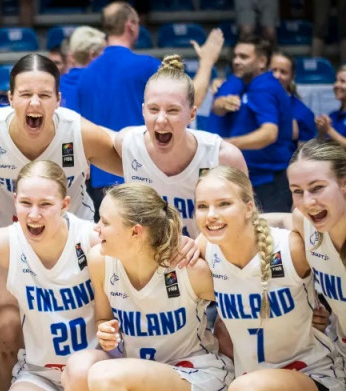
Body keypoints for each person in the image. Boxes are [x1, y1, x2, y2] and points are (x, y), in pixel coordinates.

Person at [0, 53, 122, 391]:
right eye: (26, 94)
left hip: (74, 242)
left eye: (45, 95)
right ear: (11, 98)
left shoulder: (79, 134)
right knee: (6, 332)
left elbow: (139, 164)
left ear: (58, 100)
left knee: (98, 333)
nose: (35, 102)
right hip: (7, 238)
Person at [61, 183, 232, 391]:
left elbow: (243, 299)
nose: (96, 228)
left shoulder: (188, 268)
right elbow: (103, 319)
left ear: (135, 232)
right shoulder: (100, 261)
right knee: (78, 368)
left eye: (104, 222)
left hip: (193, 380)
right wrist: (107, 331)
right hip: (131, 386)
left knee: (105, 375)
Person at [195, 166, 344, 391]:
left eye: (224, 204)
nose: (211, 214)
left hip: (314, 384)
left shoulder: (291, 248)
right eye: (202, 206)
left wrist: (320, 311)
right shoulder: (205, 250)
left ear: (249, 206)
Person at [0, 160, 98, 391]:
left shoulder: (90, 238)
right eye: (25, 203)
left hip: (97, 374)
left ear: (65, 204)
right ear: (14, 201)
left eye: (45, 204)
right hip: (43, 374)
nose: (34, 214)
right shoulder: (6, 242)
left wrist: (188, 246)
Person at [75, 1, 224, 217]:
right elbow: (192, 100)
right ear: (132, 25)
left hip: (100, 179)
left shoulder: (85, 74)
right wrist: (208, 62)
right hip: (142, 175)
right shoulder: (144, 66)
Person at [117, 54, 248, 237]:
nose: (161, 120)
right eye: (153, 109)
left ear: (192, 114)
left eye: (173, 110)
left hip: (205, 259)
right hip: (149, 260)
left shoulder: (223, 157)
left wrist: (201, 248)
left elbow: (246, 221)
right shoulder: (127, 143)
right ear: (143, 111)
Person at [285, 140, 346, 391]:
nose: (308, 201)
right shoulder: (305, 223)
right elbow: (276, 221)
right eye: (297, 191)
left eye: (318, 187)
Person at [211, 35, 294, 213]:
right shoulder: (244, 82)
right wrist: (221, 103)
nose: (236, 61)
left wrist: (225, 145)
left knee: (272, 234)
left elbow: (269, 133)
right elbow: (216, 107)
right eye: (235, 56)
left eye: (244, 57)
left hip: (269, 179)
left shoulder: (264, 87)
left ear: (262, 61)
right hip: (254, 177)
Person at [269, 52, 316, 146]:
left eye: (283, 72)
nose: (277, 76)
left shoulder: (304, 113)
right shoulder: (247, 99)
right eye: (273, 70)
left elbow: (304, 157)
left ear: (292, 76)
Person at [59, 26, 105, 112]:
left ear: (72, 57)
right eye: (103, 55)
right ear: (93, 56)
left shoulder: (55, 84)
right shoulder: (105, 86)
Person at [315, 65, 346, 147]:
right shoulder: (333, 116)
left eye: (342, 81)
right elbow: (322, 147)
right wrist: (321, 131)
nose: (336, 85)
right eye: (336, 80)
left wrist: (328, 130)